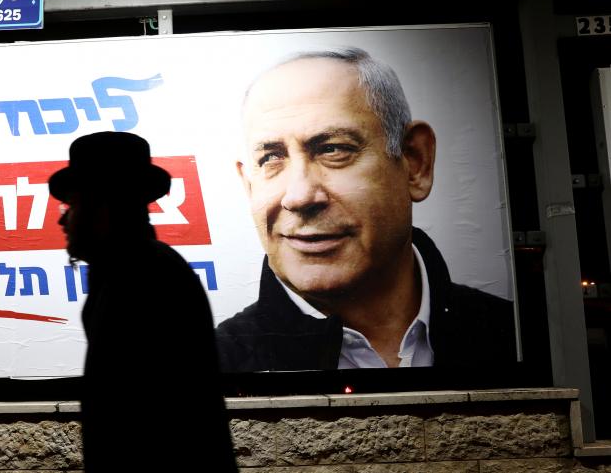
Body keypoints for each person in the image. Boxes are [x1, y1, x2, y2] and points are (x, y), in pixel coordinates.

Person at [216, 48, 516, 372]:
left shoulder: (513, 336)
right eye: (271, 158)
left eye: (333, 149)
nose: (300, 196)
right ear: (249, 186)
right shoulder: (211, 368)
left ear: (415, 162)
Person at [49, 131, 237, 473]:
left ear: (101, 207)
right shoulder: (126, 271)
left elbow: (147, 424)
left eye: (72, 206)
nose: (63, 220)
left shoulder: (145, 277)